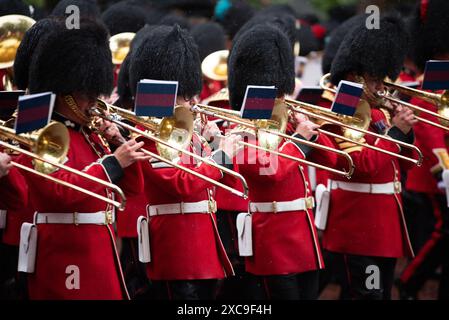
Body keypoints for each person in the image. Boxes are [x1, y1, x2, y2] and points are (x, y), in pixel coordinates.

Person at [9, 19, 148, 300]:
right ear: (66, 92)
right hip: (66, 251)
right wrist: (112, 163)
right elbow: (59, 191)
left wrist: (118, 144)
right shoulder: (40, 133)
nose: (93, 101)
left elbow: (132, 189)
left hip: (99, 249)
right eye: (87, 94)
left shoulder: (90, 133)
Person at [128, 24, 241, 300]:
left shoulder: (185, 129)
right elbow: (180, 183)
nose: (192, 101)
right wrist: (221, 155)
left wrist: (214, 143)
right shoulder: (150, 134)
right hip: (176, 248)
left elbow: (224, 182)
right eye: (184, 94)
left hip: (202, 245)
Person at [227, 23, 335, 300]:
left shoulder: (287, 126)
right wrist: (299, 140)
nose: (277, 98)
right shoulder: (240, 131)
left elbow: (333, 159)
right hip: (272, 238)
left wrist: (311, 130)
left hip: (304, 236)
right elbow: (269, 171)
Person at [321, 14, 417, 300]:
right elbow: (361, 166)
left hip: (383, 225)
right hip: (360, 227)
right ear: (354, 75)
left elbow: (402, 166)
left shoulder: (379, 110)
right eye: (375, 79)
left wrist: (405, 132)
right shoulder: (345, 108)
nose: (380, 86)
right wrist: (396, 134)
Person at [398, 0, 449, 300]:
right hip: (436, 172)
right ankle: (408, 282)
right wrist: (445, 163)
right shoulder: (438, 69)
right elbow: (427, 119)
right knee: (443, 231)